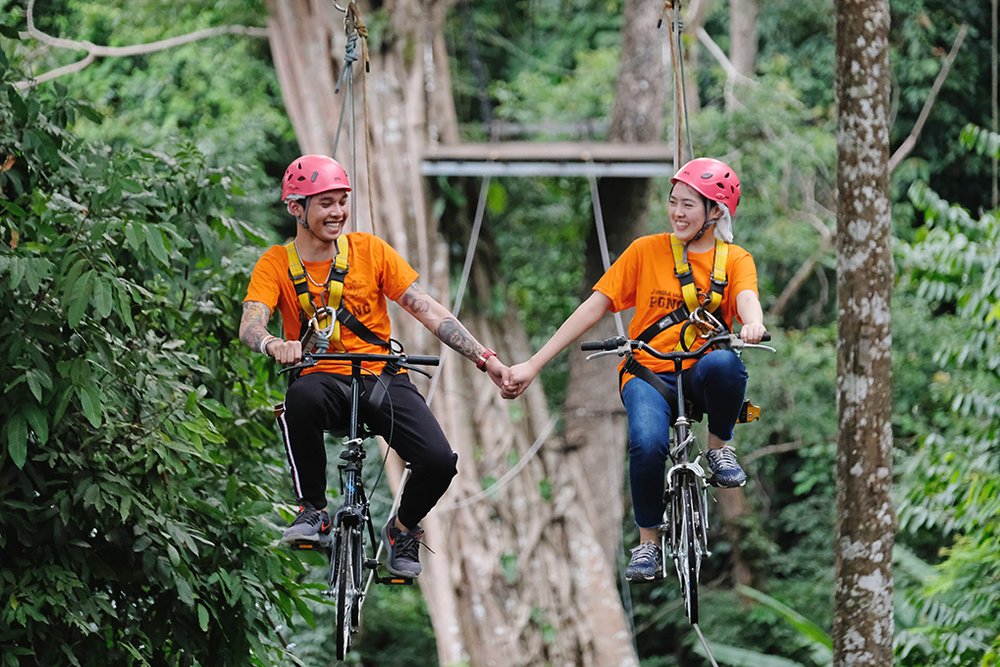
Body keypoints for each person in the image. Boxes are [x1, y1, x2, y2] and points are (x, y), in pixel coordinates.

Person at [240, 154, 509, 578]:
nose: (337, 212)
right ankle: (313, 510)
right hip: (322, 377)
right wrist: (274, 343)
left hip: (380, 375)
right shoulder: (276, 264)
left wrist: (484, 357)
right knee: (299, 399)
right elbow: (252, 322)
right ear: (296, 207)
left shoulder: (369, 251)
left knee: (439, 460)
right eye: (325, 202)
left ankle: (402, 529)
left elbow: (426, 309)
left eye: (342, 201)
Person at [501, 157, 767, 582]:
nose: (677, 213)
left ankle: (719, 447)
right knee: (646, 444)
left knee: (726, 364)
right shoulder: (646, 251)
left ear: (715, 213)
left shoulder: (734, 260)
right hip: (649, 372)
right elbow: (595, 307)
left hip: (701, 372)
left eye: (689, 206)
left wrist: (753, 321)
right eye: (673, 202)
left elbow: (747, 296)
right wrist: (534, 364)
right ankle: (648, 543)